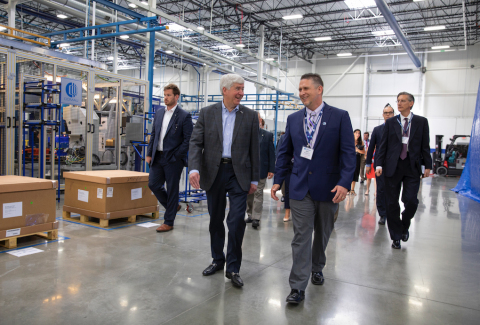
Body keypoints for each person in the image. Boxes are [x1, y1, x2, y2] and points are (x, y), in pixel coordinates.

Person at [271, 73, 355, 304]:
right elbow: (284, 152)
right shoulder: (294, 118)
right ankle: (297, 286)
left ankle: (317, 266)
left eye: (306, 88)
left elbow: (348, 153)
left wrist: (345, 183)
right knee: (301, 236)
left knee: (323, 231)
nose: (301, 93)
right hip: (299, 186)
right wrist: (278, 180)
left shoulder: (339, 117)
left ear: (320, 89)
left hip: (329, 187)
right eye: (299, 89)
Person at [188, 74, 259, 287]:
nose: (241, 93)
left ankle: (234, 267)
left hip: (239, 173)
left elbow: (254, 149)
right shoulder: (207, 113)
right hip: (214, 171)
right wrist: (193, 168)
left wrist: (255, 178)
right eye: (237, 88)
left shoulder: (250, 116)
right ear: (224, 90)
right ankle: (218, 259)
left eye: (242, 88)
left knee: (236, 220)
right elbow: (195, 143)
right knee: (215, 219)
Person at [375, 92, 432, 249]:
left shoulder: (421, 122)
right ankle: (396, 236)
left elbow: (425, 145)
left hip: (412, 167)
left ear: (411, 103)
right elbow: (383, 146)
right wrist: (378, 165)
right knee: (391, 202)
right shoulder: (391, 122)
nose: (399, 103)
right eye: (398, 101)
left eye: (403, 101)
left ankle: (405, 224)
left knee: (411, 201)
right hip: (392, 167)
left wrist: (428, 165)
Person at [147, 84, 193, 232]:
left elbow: (188, 140)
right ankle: (173, 206)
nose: (165, 98)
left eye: (168, 95)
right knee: (153, 184)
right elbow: (153, 134)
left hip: (173, 159)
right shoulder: (159, 113)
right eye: (164, 95)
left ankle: (169, 222)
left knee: (172, 190)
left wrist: (177, 156)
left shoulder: (184, 116)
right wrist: (149, 153)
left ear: (176, 97)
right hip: (157, 157)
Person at [365, 104, 395, 225]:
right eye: (385, 113)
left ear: (394, 114)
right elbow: (371, 147)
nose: (388, 114)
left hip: (394, 164)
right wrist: (368, 163)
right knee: (381, 190)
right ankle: (382, 214)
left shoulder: (398, 129)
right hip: (379, 165)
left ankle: (392, 212)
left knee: (392, 190)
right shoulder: (377, 130)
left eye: (390, 112)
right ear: (383, 115)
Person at [246, 114, 275, 229]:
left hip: (261, 169)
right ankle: (250, 214)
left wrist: (271, 169)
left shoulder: (267, 135)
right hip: (247, 170)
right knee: (249, 194)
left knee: (258, 193)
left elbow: (271, 153)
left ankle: (256, 218)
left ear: (260, 120)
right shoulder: (245, 134)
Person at [276, 132, 293, 222]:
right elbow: (280, 154)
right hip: (289, 167)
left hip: (303, 167)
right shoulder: (284, 137)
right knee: (287, 191)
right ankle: (287, 212)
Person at [350, 129, 365, 195]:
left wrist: (357, 150)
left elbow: (363, 152)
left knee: (355, 173)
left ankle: (352, 189)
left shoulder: (361, 142)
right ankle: (348, 189)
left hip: (357, 157)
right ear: (353, 133)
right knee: (349, 173)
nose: (357, 134)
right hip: (350, 158)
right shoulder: (350, 140)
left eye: (359, 133)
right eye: (356, 133)